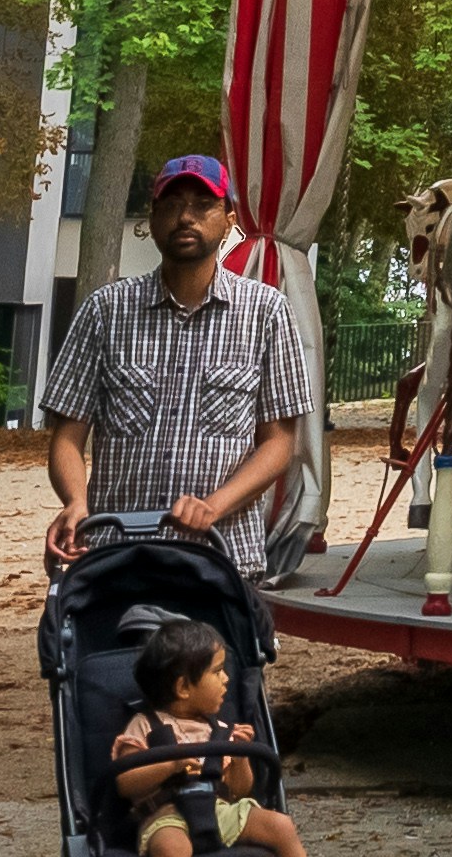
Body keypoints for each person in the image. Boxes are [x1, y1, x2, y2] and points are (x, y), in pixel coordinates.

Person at [40, 153, 314, 613]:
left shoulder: (267, 312)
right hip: (114, 552)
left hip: (221, 557)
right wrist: (74, 502)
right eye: (171, 205)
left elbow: (279, 445)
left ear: (228, 220)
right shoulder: (105, 311)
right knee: (108, 679)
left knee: (217, 683)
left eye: (202, 204)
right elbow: (67, 437)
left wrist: (214, 505)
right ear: (152, 218)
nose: (185, 216)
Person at [104, 611, 352, 857]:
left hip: (219, 809)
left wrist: (238, 756)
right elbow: (127, 782)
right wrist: (167, 767)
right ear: (184, 687)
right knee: (169, 849)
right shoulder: (145, 726)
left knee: (279, 825)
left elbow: (240, 790)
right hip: (167, 815)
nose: (226, 680)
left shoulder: (219, 728)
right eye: (217, 672)